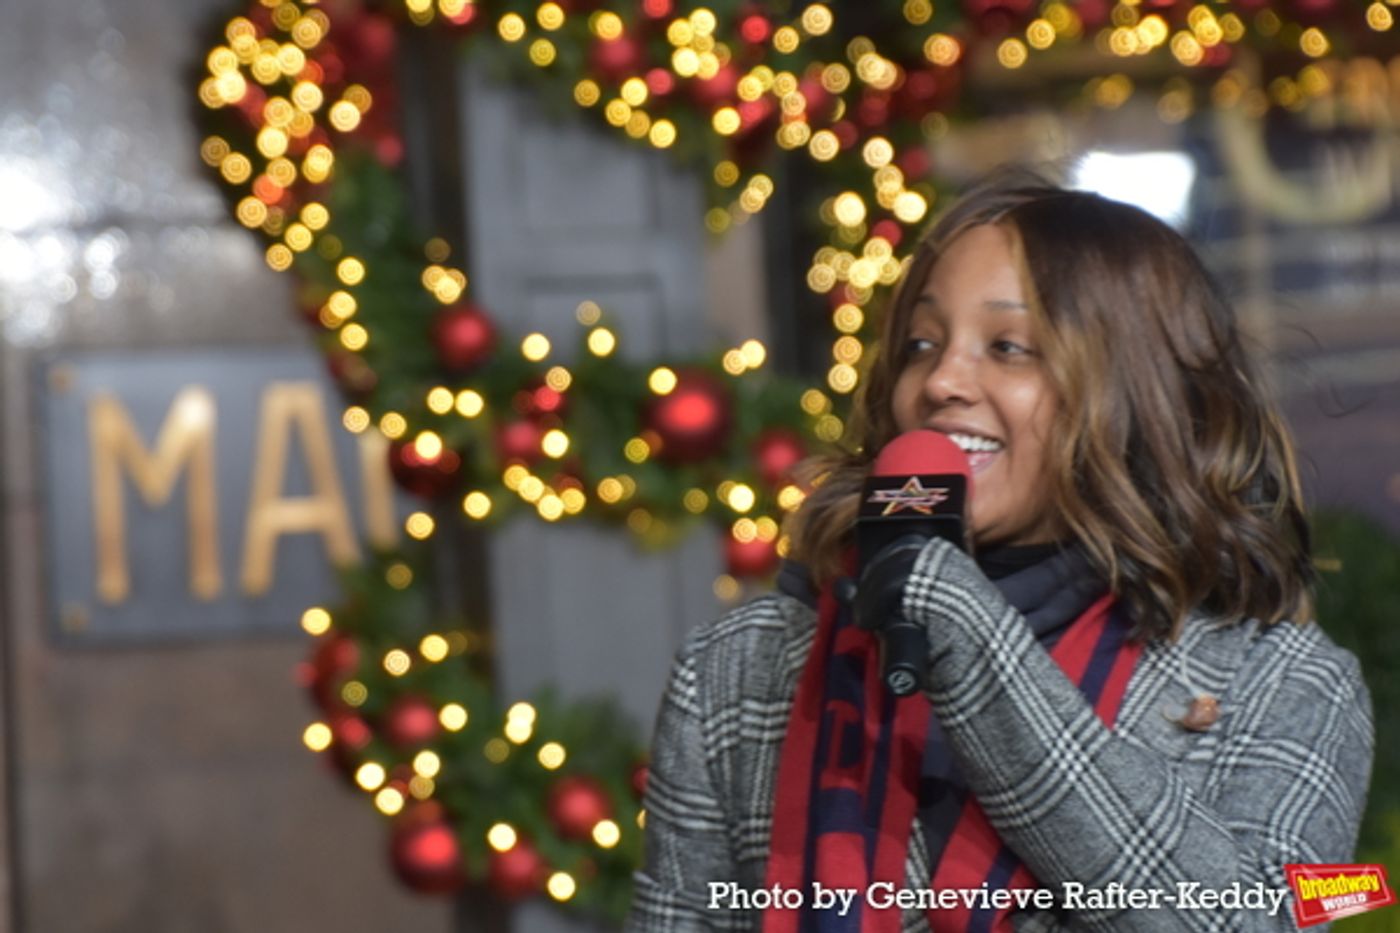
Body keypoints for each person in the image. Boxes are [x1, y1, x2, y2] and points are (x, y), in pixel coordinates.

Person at [625, 174, 1374, 932]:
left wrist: (967, 627)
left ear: (1135, 396)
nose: (941, 381)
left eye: (1009, 348)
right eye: (921, 344)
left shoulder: (1282, 682)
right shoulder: (739, 668)